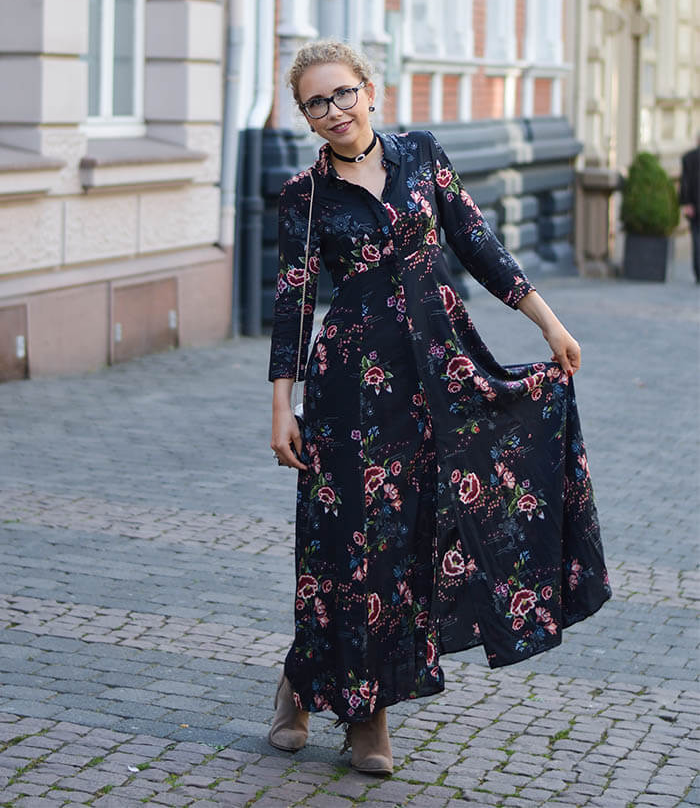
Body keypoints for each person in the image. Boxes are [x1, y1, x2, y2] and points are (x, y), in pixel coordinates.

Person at [268, 40, 611, 776]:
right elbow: (293, 304)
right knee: (351, 544)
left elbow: (477, 242)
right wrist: (280, 407)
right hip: (351, 391)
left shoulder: (422, 155)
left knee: (407, 539)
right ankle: (353, 708)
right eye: (315, 103)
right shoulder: (303, 197)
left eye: (343, 93)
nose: (334, 111)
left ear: (370, 89)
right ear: (305, 115)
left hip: (442, 375)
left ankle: (327, 687)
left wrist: (548, 323)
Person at [679, 136, 700, 283]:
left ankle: (698, 272)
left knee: (696, 239)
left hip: (694, 205)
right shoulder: (688, 158)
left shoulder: (688, 157)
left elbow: (684, 182)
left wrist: (686, 203)